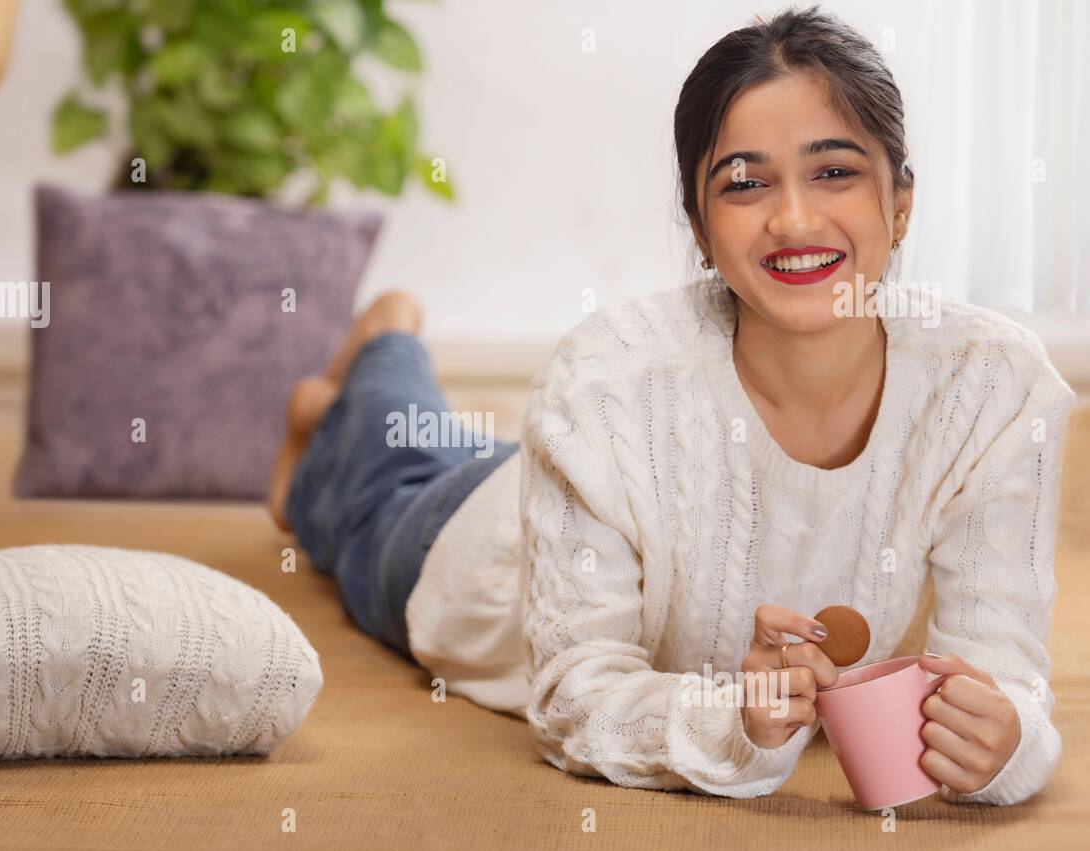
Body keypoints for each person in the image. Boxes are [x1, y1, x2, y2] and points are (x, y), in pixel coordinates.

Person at [266, 6, 1077, 805]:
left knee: (435, 443)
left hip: (590, 502)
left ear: (900, 204)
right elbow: (573, 695)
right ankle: (382, 344)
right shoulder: (602, 386)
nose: (794, 218)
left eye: (834, 170)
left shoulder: (996, 391)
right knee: (383, 481)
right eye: (746, 182)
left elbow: (1005, 677)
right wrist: (734, 725)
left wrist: (1006, 745)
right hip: (479, 551)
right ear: (698, 226)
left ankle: (353, 388)